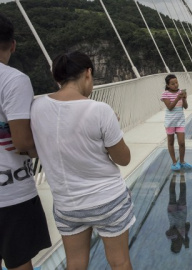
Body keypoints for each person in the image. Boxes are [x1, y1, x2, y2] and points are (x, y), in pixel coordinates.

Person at [30, 51, 134, 270]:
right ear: (88, 73)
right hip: (108, 200)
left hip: (67, 204)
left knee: (75, 263)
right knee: (120, 262)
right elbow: (123, 158)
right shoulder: (100, 110)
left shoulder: (37, 107)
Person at [0, 13, 51, 270]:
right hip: (10, 194)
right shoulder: (13, 80)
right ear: (13, 44)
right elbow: (22, 142)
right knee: (20, 263)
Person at [161, 74, 192, 171]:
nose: (175, 85)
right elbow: (170, 107)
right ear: (168, 85)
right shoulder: (165, 94)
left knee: (182, 143)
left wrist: (183, 98)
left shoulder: (180, 92)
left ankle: (182, 161)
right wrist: (177, 98)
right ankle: (174, 162)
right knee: (170, 142)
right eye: (173, 83)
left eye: (176, 82)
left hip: (180, 121)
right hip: (170, 121)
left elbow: (186, 107)